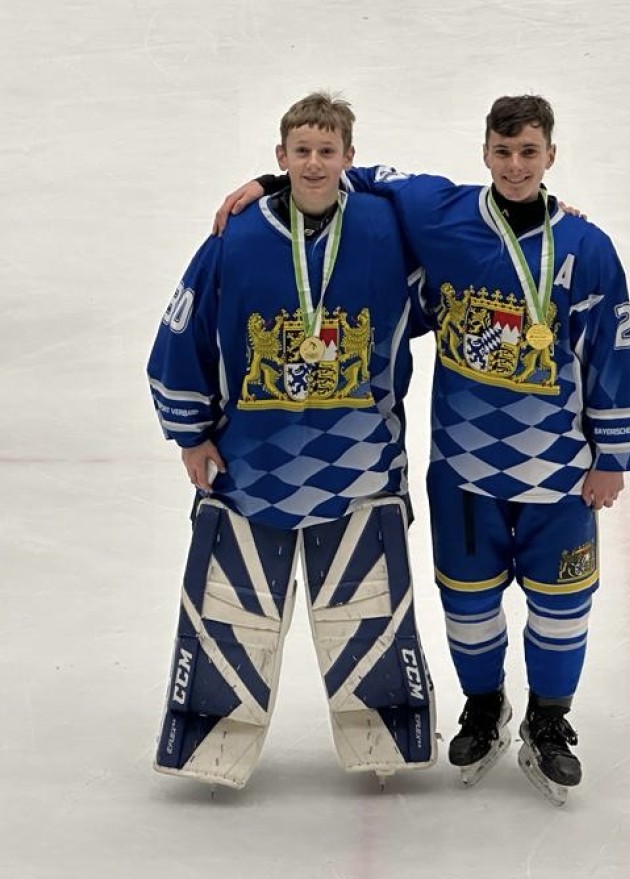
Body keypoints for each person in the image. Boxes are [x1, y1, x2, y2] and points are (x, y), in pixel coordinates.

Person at [212, 94, 630, 804]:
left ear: (550, 157)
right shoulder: (441, 212)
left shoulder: (585, 248)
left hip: (561, 472)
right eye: (502, 153)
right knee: (468, 606)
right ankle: (483, 707)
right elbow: (354, 171)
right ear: (483, 154)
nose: (514, 166)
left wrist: (610, 456)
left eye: (528, 153)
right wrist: (268, 184)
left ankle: (548, 718)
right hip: (463, 467)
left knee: (562, 606)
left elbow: (611, 354)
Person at [147, 91, 436, 790]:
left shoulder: (383, 229)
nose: (313, 163)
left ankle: (386, 732)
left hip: (362, 466)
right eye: (299, 153)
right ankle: (212, 737)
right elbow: (179, 338)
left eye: (326, 152)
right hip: (248, 468)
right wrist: (191, 436)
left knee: (369, 613)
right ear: (279, 159)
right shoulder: (236, 236)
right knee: (228, 614)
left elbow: (456, 246)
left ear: (348, 159)